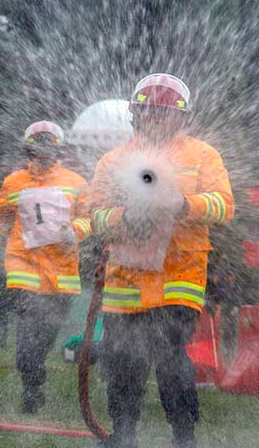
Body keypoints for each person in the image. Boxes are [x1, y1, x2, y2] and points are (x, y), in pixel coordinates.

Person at [84, 74, 234, 448]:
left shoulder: (202, 156)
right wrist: (124, 219)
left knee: (170, 355)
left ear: (181, 119)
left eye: (165, 114)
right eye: (150, 112)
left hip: (178, 275)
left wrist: (186, 206)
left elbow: (224, 205)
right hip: (126, 277)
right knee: (122, 361)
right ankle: (124, 434)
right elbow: (95, 216)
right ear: (136, 114)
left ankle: (184, 437)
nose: (157, 120)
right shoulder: (113, 161)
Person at [0, 120, 88, 413]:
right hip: (23, 265)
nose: (43, 151)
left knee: (46, 333)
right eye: (37, 145)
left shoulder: (76, 183)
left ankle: (34, 373)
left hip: (62, 273)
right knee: (28, 330)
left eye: (48, 145)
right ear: (28, 149)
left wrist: (75, 229)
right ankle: (30, 383)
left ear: (58, 149)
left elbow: (91, 218)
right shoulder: (13, 182)